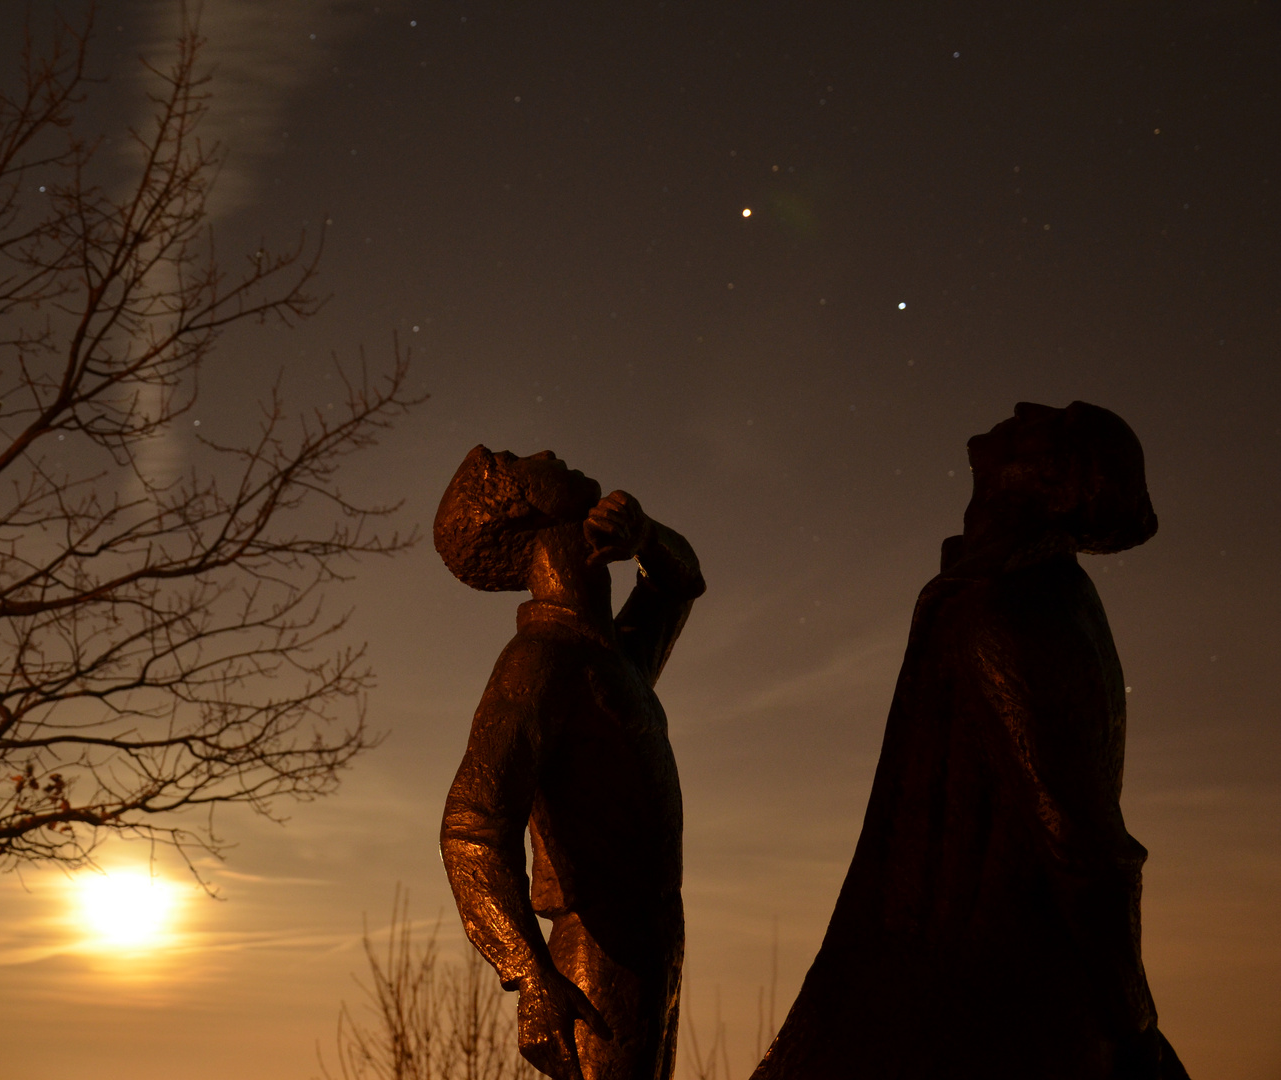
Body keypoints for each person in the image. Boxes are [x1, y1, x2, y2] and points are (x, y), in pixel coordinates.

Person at [752, 401, 1189, 1080]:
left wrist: (1133, 1025)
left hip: (970, 1013)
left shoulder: (1008, 612)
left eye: (1056, 419)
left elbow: (1084, 845)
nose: (1025, 407)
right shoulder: (1006, 593)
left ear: (1057, 479)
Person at [436, 446, 706, 1080]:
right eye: (519, 460)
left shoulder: (609, 656)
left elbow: (681, 582)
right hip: (596, 948)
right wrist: (529, 975)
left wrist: (645, 536)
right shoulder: (540, 661)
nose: (549, 453)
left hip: (653, 941)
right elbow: (471, 830)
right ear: (521, 506)